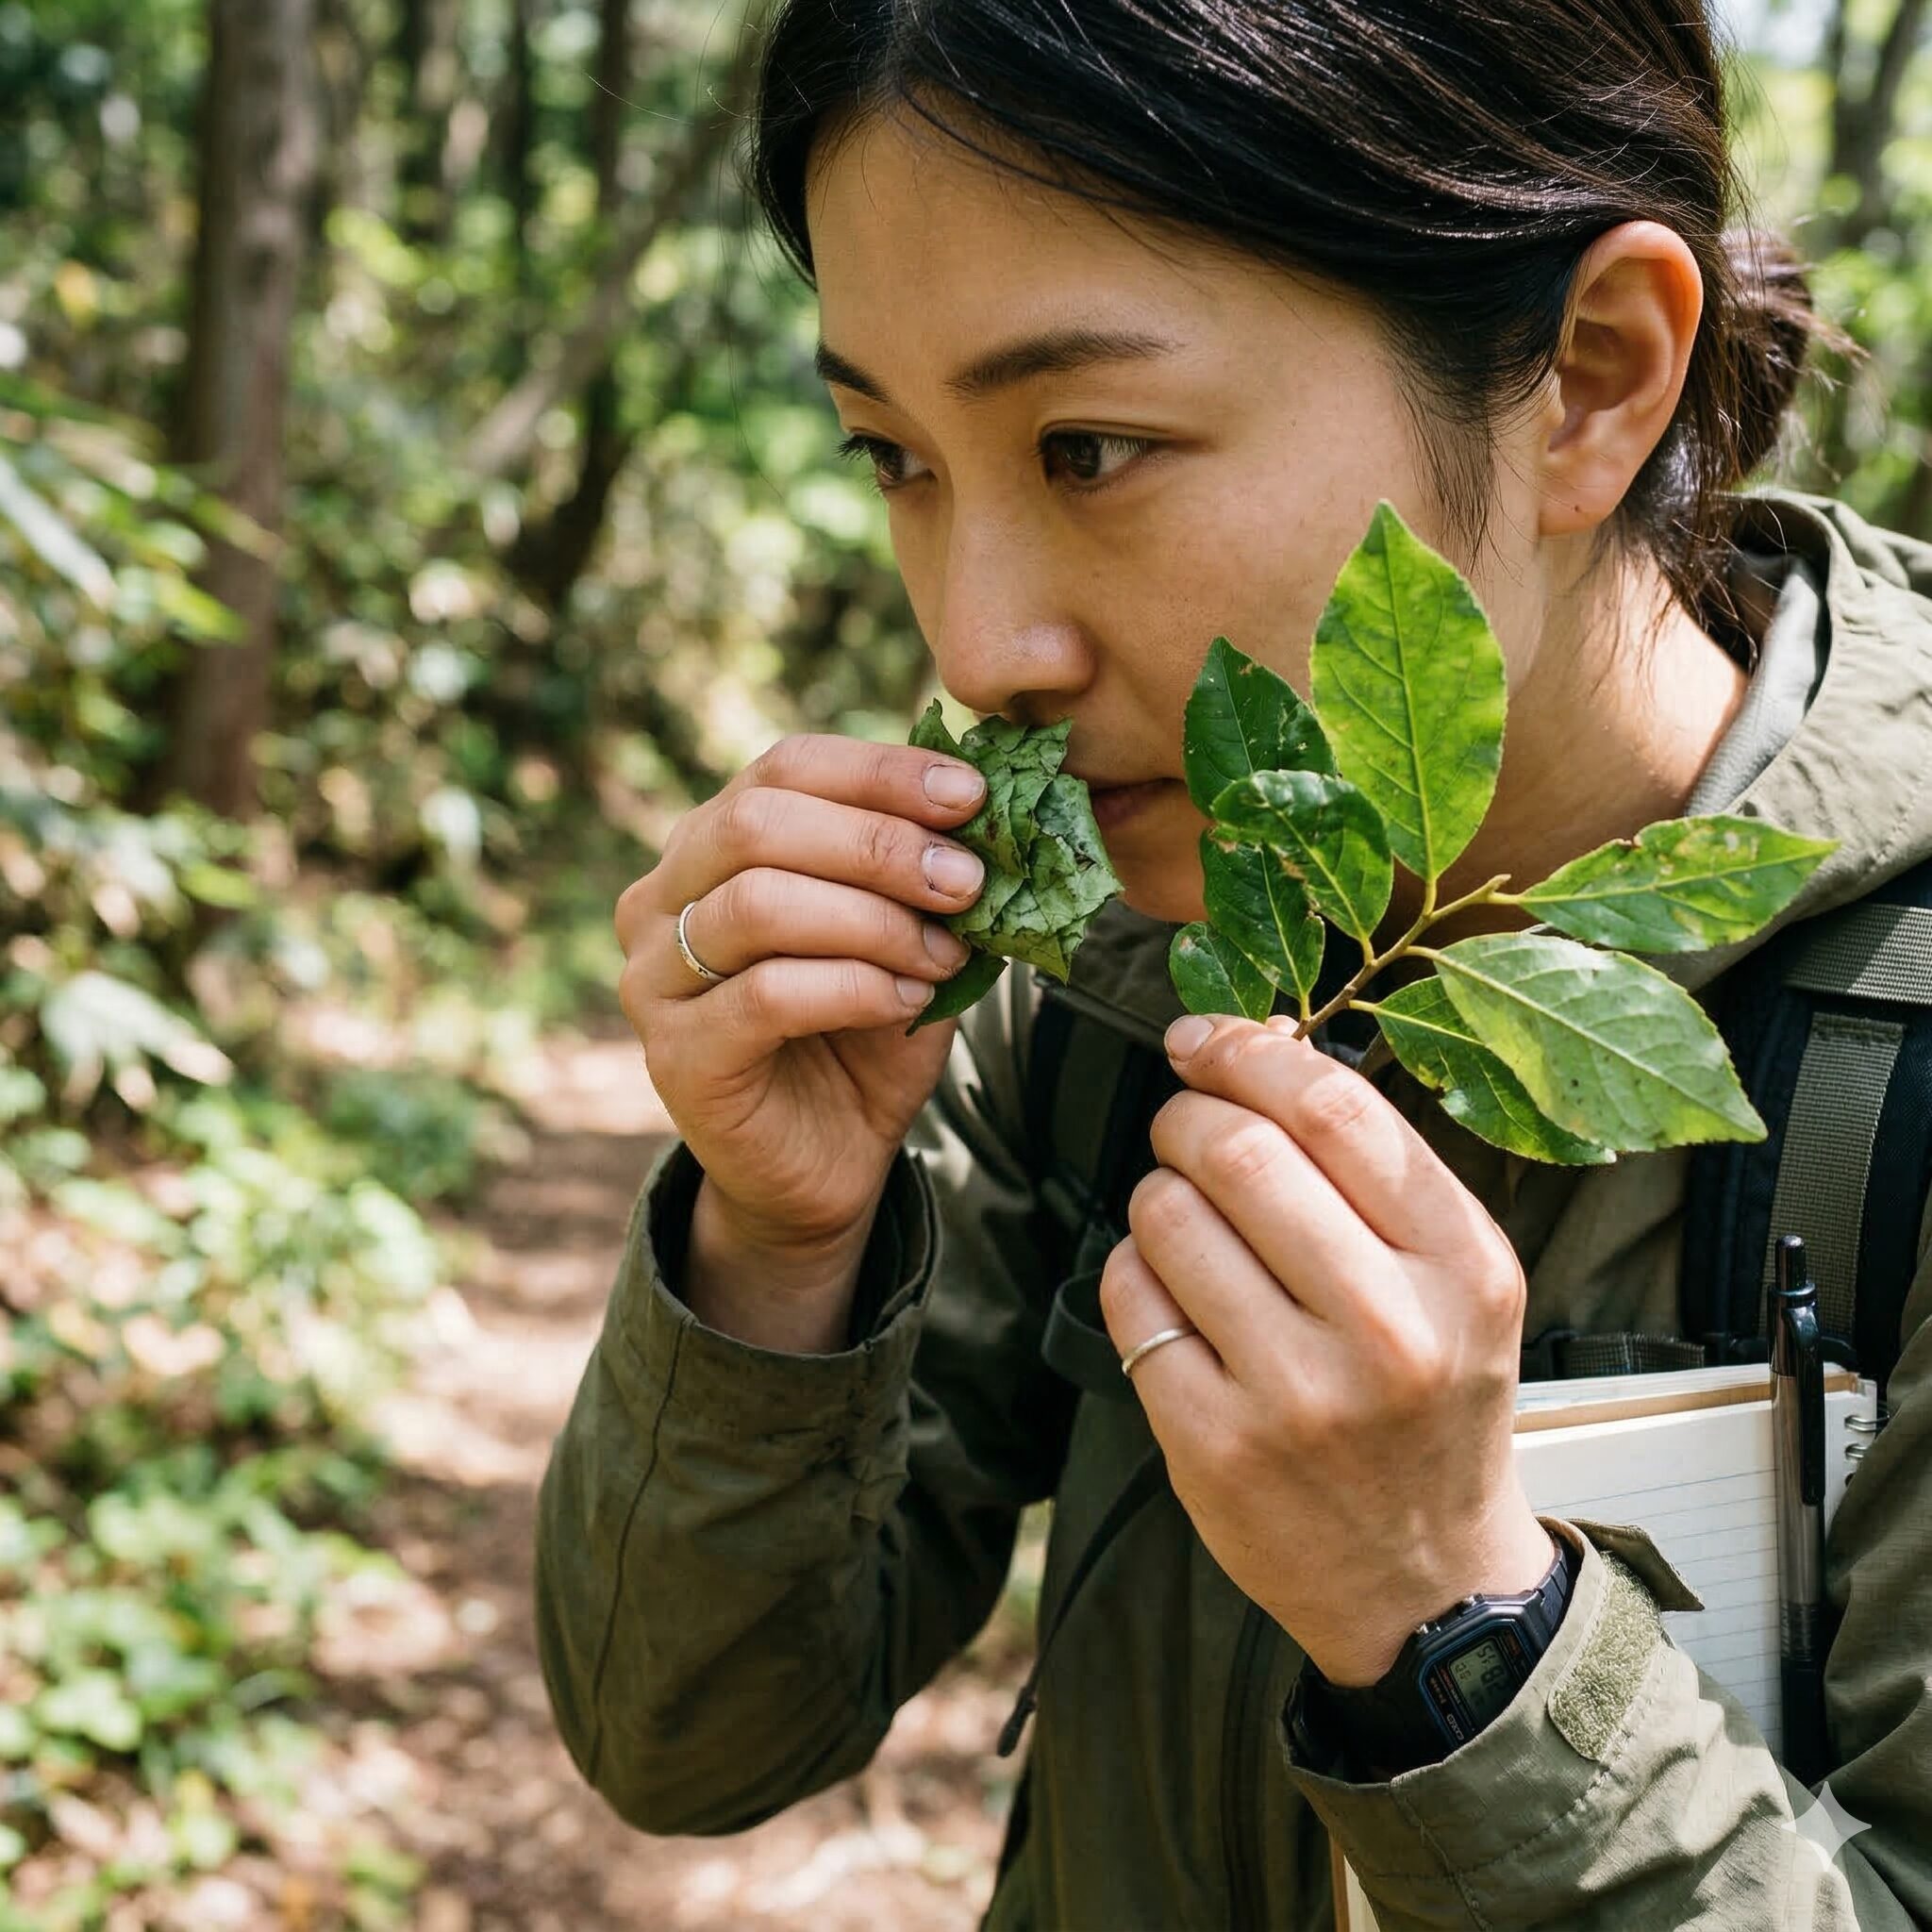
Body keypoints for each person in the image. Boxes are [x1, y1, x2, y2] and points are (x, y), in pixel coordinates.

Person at [535, 3, 1932, 1925]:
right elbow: (688, 1736)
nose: (977, 637)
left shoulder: (1901, 1077)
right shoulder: (1111, 973)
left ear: (1590, 381)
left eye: (1086, 445)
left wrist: (1455, 1623)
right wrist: (775, 1254)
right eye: (895, 456)